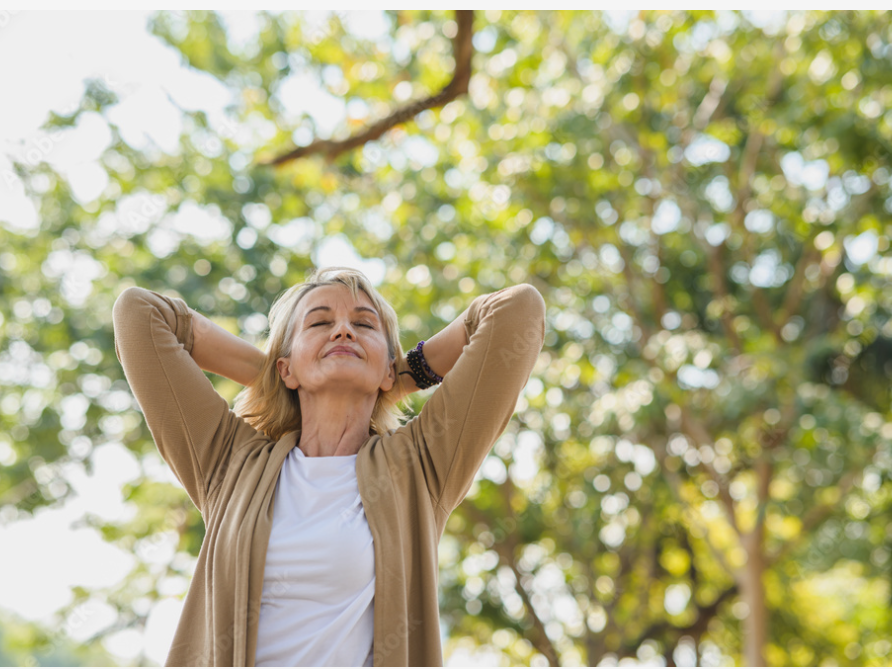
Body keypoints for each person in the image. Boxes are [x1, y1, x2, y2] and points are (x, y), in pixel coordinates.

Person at [112, 265, 545, 666]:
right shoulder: (229, 460)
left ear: (388, 370)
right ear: (286, 367)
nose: (342, 330)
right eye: (319, 323)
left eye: (363, 324)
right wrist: (275, 376)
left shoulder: (421, 464)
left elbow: (517, 312)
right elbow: (140, 314)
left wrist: (399, 375)